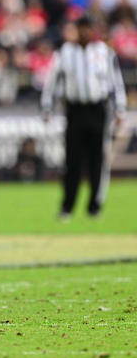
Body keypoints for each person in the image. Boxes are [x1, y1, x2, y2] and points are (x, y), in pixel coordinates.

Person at [41, 17, 127, 219]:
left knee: (98, 160)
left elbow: (116, 82)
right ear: (76, 31)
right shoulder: (64, 53)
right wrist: (47, 107)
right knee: (73, 160)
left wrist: (120, 109)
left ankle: (94, 206)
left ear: (93, 30)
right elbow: (52, 82)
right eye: (81, 29)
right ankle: (67, 207)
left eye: (88, 29)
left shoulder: (104, 52)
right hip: (75, 110)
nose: (85, 33)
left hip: (97, 109)